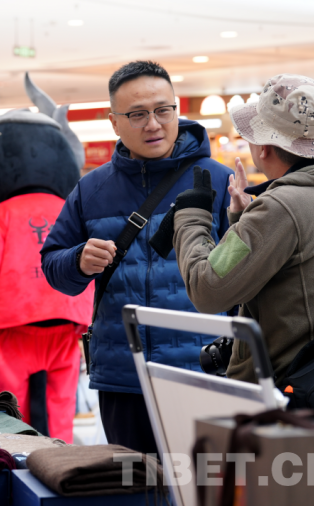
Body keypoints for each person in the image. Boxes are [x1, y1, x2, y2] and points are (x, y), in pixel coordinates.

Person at [40, 61, 234, 454]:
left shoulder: (218, 180)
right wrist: (78, 260)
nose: (153, 124)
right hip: (124, 377)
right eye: (137, 114)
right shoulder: (91, 190)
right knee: (134, 480)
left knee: (207, 480)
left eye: (163, 110)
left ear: (176, 109)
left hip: (205, 369)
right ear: (114, 122)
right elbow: (52, 264)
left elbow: (249, 273)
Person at [170, 74, 314, 384]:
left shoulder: (280, 207)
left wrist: (191, 216)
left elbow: (207, 289)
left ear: (265, 147)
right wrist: (246, 221)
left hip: (281, 387)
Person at [0, 75, 94, 441]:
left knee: (8, 400)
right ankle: (58, 453)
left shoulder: (1, 214)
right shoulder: (70, 210)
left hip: (13, 324)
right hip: (65, 319)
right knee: (59, 398)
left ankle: (13, 451)